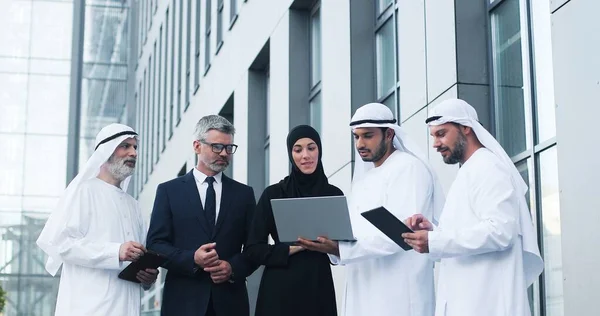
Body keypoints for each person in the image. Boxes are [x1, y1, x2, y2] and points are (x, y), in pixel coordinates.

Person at [297, 103, 445, 316]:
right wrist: (330, 243)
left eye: (368, 135)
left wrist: (340, 249)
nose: (360, 144)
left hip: (398, 294)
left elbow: (402, 235)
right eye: (356, 137)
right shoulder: (362, 182)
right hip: (363, 288)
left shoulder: (409, 168)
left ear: (389, 134)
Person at [402, 98, 544, 316]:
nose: (435, 144)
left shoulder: (488, 167)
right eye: (433, 136)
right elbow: (464, 238)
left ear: (466, 127)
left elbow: (500, 231)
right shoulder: (469, 170)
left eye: (441, 134)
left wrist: (436, 241)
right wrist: (432, 233)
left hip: (488, 304)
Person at [36, 123, 158, 316]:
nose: (133, 153)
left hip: (127, 308)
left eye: (135, 147)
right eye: (125, 146)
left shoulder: (133, 205)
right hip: (89, 308)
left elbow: (138, 259)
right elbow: (62, 244)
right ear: (106, 151)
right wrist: (116, 251)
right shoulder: (83, 192)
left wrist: (147, 278)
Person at [146, 115, 258, 316]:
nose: (224, 153)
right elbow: (155, 245)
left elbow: (254, 247)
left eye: (229, 148)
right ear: (197, 146)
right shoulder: (168, 191)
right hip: (182, 303)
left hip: (230, 303)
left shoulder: (244, 194)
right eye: (217, 147)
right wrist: (192, 259)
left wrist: (232, 268)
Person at [245, 125, 342, 316]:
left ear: (319, 151)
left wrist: (325, 247)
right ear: (291, 154)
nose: (305, 155)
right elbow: (253, 249)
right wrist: (294, 248)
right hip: (279, 290)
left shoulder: (333, 195)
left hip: (318, 288)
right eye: (298, 150)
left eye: (311, 148)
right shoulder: (274, 194)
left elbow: (345, 248)